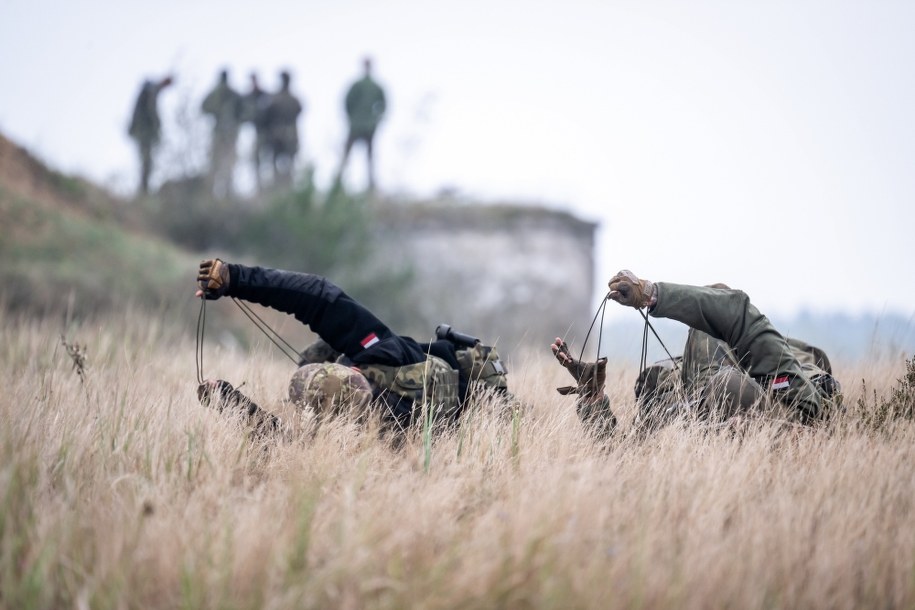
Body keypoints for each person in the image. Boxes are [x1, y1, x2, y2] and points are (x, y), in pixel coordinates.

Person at [195, 259, 509, 435]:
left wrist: (237, 277)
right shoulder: (372, 358)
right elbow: (316, 297)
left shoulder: (385, 355)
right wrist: (233, 280)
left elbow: (320, 296)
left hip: (475, 406)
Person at [551, 270, 842, 439]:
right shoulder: (681, 403)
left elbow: (733, 311)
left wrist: (652, 294)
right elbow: (623, 459)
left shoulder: (800, 405)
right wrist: (593, 398)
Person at [335, 57, 386, 191]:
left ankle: (340, 185)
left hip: (359, 125)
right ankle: (342, 184)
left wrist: (352, 118)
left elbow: (347, 103)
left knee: (356, 156)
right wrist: (376, 119)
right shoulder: (371, 86)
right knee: (366, 157)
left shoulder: (363, 86)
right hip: (365, 125)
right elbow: (383, 106)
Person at [201, 69, 244, 199]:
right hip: (223, 133)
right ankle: (219, 191)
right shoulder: (226, 94)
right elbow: (204, 107)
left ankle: (224, 191)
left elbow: (245, 111)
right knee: (221, 161)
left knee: (225, 161)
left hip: (227, 133)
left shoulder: (224, 93)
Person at [127, 75, 173, 195]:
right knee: (146, 161)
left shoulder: (150, 90)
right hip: (144, 131)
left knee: (146, 161)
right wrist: (157, 127)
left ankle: (144, 189)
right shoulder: (151, 90)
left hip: (143, 131)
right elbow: (151, 111)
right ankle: (143, 191)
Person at [263, 70, 303, 189]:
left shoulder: (276, 99)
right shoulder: (293, 99)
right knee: (283, 162)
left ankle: (283, 186)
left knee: (282, 162)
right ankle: (283, 186)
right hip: (283, 134)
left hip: (281, 134)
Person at [240, 72, 272, 192]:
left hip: (266, 133)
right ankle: (258, 186)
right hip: (254, 133)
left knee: (266, 159)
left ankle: (267, 186)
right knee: (255, 160)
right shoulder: (249, 97)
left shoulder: (265, 96)